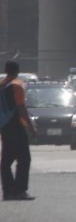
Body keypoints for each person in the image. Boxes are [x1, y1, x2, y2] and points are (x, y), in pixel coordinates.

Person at [1, 60, 35, 201]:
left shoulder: (1, 85)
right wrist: (31, 127)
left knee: (6, 161)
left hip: (4, 127)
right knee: (24, 159)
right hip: (17, 126)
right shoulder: (17, 85)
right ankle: (20, 191)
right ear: (17, 71)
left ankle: (8, 192)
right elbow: (21, 108)